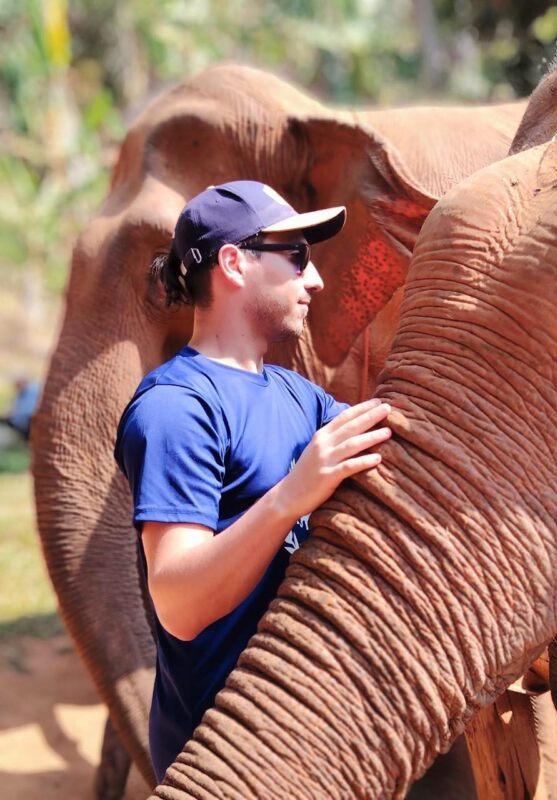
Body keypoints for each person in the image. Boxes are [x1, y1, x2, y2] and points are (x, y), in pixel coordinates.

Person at [114, 180, 391, 781]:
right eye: (296, 256)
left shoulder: (296, 394)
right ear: (235, 263)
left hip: (306, 737)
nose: (314, 279)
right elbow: (179, 603)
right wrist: (293, 495)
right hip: (223, 759)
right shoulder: (176, 408)